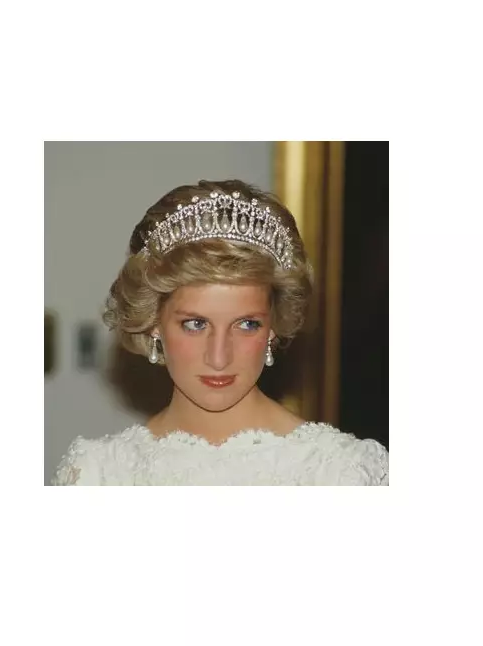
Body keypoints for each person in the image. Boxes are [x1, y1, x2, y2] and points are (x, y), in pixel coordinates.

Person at [52, 179, 388, 486]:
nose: (219, 358)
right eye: (196, 324)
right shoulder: (96, 473)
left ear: (273, 327)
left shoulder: (343, 472)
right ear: (153, 321)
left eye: (247, 324)